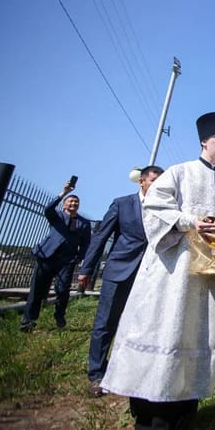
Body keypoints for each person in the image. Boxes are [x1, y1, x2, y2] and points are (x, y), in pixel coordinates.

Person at [99, 112, 215, 430]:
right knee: (168, 329)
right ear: (203, 141)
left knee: (199, 333)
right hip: (174, 274)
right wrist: (190, 221)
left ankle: (185, 408)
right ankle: (149, 407)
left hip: (212, 277)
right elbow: (154, 207)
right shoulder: (180, 173)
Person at [76, 165, 164, 397]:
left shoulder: (166, 208)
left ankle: (128, 371)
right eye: (154, 180)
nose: (157, 185)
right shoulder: (122, 204)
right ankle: (97, 373)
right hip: (120, 270)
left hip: (149, 275)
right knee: (106, 322)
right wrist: (86, 269)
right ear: (142, 182)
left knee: (141, 325)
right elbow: (100, 237)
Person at [21, 181, 91, 331]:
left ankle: (59, 315)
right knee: (37, 290)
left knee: (62, 290)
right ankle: (28, 321)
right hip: (46, 257)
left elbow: (86, 243)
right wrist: (64, 192)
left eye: (76, 202)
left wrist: (79, 257)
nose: (73, 203)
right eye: (70, 201)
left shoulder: (84, 223)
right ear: (65, 204)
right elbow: (48, 208)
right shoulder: (56, 216)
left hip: (66, 261)